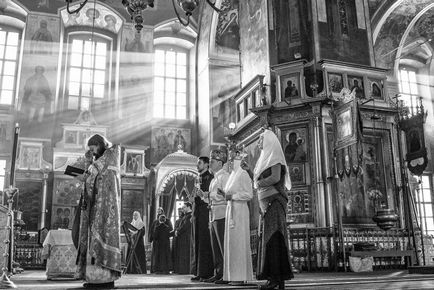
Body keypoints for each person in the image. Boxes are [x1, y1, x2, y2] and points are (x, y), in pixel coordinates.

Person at [241, 129, 293, 290]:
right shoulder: (265, 160)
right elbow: (259, 180)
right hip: (266, 206)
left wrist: (258, 183)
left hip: (274, 204)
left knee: (274, 239)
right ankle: (276, 278)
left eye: (261, 140)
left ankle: (275, 279)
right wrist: (249, 171)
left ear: (269, 141)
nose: (258, 143)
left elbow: (275, 178)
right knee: (269, 240)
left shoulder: (275, 159)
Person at [74, 134, 121, 289]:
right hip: (95, 207)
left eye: (93, 148)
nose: (92, 152)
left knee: (102, 238)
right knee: (91, 241)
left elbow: (95, 174)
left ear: (100, 144)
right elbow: (90, 176)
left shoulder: (111, 154)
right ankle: (93, 279)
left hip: (106, 207)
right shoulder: (98, 160)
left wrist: (87, 169)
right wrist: (86, 166)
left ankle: (105, 280)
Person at [221, 152, 253, 285]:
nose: (228, 162)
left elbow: (249, 194)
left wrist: (232, 197)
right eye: (228, 160)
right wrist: (225, 195)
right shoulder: (232, 175)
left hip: (239, 212)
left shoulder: (243, 173)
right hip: (231, 210)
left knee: (239, 243)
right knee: (232, 244)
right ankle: (233, 276)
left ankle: (240, 276)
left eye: (231, 160)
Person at [204, 149, 229, 284]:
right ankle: (218, 272)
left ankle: (225, 273)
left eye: (212, 162)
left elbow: (225, 195)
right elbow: (213, 197)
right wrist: (205, 197)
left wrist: (210, 196)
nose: (210, 164)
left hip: (222, 214)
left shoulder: (225, 177)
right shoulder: (214, 179)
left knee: (222, 246)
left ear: (220, 163)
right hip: (213, 214)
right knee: (215, 247)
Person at [190, 157, 214, 282]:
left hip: (205, 211)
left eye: (199, 163)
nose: (197, 165)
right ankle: (198, 271)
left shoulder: (210, 178)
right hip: (197, 212)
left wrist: (202, 194)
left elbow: (211, 195)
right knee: (197, 241)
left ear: (206, 164)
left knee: (204, 241)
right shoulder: (198, 178)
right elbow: (195, 196)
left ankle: (206, 272)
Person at [149, 208, 173, 274]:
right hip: (158, 243)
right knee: (157, 255)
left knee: (162, 255)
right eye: (158, 211)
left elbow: (170, 231)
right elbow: (151, 231)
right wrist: (150, 240)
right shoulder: (155, 222)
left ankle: (162, 269)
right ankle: (158, 269)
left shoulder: (167, 221)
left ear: (163, 212)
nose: (159, 212)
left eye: (160, 211)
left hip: (162, 242)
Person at [173, 202, 193, 274]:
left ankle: (185, 270)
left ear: (188, 207)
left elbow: (185, 226)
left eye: (184, 207)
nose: (182, 209)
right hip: (182, 238)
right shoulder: (185, 216)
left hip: (186, 238)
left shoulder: (190, 215)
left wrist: (178, 231)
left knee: (185, 254)